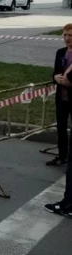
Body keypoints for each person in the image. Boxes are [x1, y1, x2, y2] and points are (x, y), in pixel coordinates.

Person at [45, 24, 72, 217]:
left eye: (70, 35)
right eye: (65, 35)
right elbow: (55, 73)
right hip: (61, 97)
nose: (67, 38)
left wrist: (69, 83)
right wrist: (57, 78)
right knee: (61, 127)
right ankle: (63, 155)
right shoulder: (60, 52)